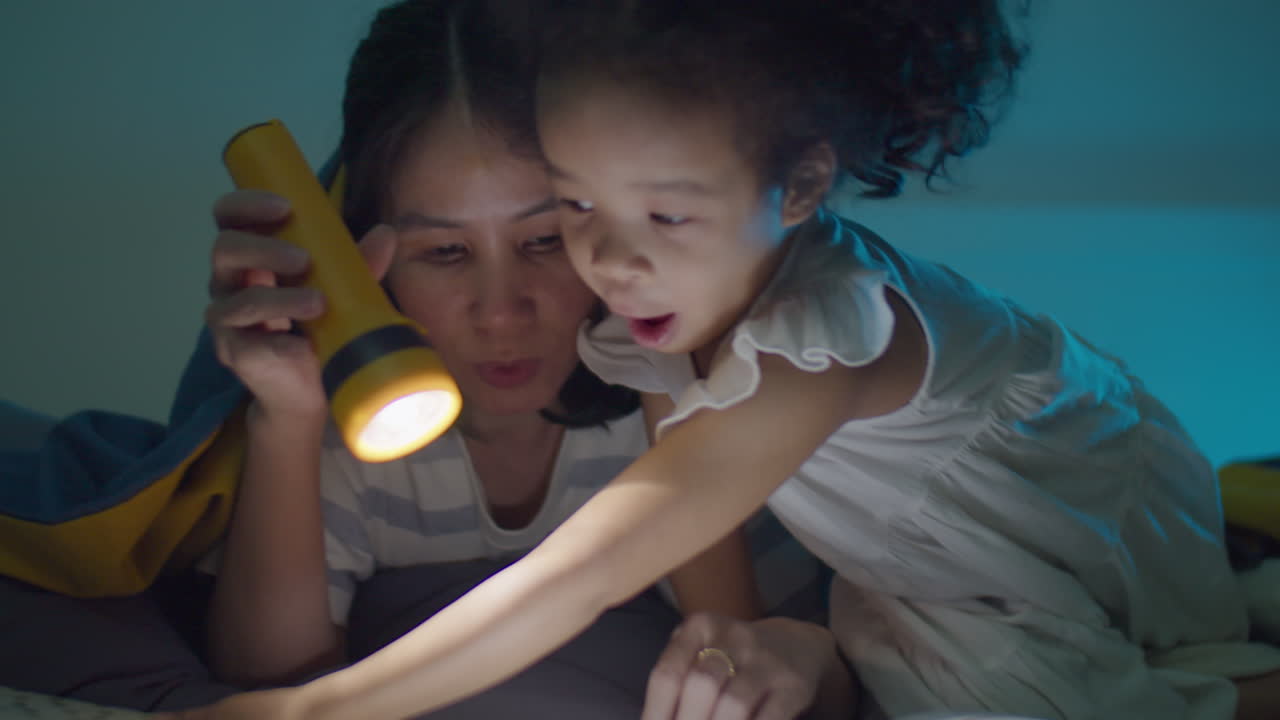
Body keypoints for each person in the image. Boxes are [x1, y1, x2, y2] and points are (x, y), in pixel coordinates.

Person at [169, 0, 1280, 718]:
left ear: (799, 188)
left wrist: (312, 713)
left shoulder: (819, 336)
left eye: (662, 215)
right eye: (581, 206)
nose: (611, 262)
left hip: (1082, 502)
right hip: (952, 574)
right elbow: (721, 612)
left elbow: (598, 566)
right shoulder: (666, 319)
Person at [192, 0, 850, 718]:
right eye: (446, 252)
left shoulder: (698, 399)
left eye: (543, 240)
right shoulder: (351, 434)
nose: (501, 312)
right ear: (366, 257)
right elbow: (264, 677)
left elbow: (768, 661)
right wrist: (286, 418)